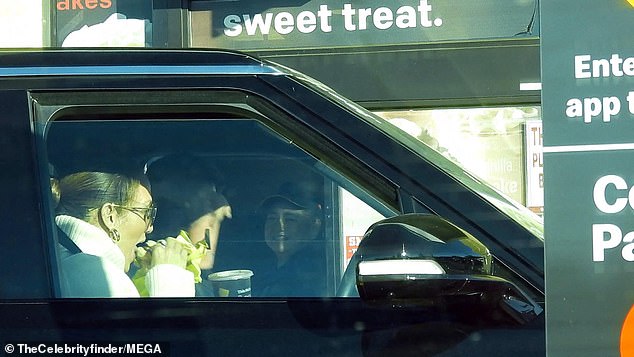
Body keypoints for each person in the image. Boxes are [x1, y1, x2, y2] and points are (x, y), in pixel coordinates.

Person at [53, 171, 195, 298]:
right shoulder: (100, 276)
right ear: (110, 216)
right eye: (148, 212)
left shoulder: (59, 255)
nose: (150, 228)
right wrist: (169, 277)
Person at [145, 154, 232, 296]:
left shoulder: (232, 276)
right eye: (205, 209)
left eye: (216, 208)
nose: (211, 225)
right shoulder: (143, 283)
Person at [256, 180, 327, 297]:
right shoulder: (264, 267)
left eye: (290, 219)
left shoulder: (310, 275)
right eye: (272, 218)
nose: (279, 226)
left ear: (315, 226)